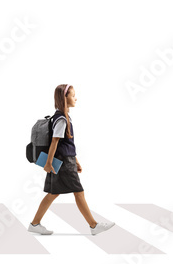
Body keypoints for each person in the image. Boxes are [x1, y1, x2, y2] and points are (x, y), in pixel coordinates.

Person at [28, 84, 114, 236]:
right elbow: (55, 142)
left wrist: (76, 161)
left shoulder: (62, 116)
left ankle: (35, 223)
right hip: (63, 163)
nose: (76, 98)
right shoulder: (61, 119)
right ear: (64, 98)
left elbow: (65, 143)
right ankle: (94, 226)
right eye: (73, 95)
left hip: (64, 160)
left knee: (53, 194)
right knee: (78, 192)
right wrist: (48, 163)